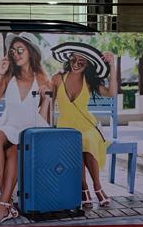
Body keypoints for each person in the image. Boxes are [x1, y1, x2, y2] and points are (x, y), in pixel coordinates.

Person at [0, 33, 53, 225]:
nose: (16, 53)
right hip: (11, 125)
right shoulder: (8, 76)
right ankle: (6, 202)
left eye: (20, 49)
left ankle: (3, 204)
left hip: (31, 129)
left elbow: (45, 118)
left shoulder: (42, 78)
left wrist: (47, 99)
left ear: (30, 52)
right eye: (13, 51)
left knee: (14, 151)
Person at [50, 43, 118, 208]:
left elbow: (111, 93)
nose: (76, 64)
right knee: (76, 142)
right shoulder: (57, 78)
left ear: (88, 65)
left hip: (86, 125)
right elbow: (49, 105)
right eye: (73, 59)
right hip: (65, 127)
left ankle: (97, 186)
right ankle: (84, 188)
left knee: (86, 139)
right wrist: (50, 128)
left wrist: (112, 65)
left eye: (81, 62)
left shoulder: (89, 81)